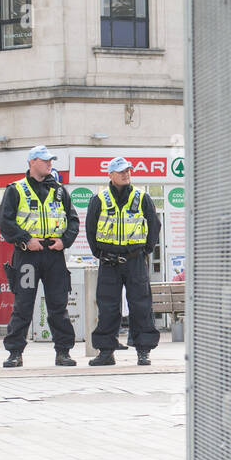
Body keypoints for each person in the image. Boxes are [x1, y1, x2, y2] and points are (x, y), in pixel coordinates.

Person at [0, 145, 80, 368]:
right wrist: (25, 239)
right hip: (27, 256)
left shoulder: (60, 191)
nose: (49, 164)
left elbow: (73, 221)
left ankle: (63, 352)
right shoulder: (16, 189)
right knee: (23, 305)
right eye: (45, 160)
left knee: (58, 305)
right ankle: (15, 353)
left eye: (51, 160)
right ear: (32, 162)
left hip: (54, 255)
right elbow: (5, 224)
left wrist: (65, 241)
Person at [86, 156, 161, 366]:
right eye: (121, 171)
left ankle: (143, 350)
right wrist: (99, 253)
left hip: (135, 259)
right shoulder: (99, 199)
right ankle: (106, 352)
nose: (126, 174)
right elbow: (90, 229)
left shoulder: (142, 197)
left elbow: (154, 226)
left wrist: (145, 250)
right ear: (110, 175)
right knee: (107, 307)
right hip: (108, 261)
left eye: (128, 170)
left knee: (141, 305)